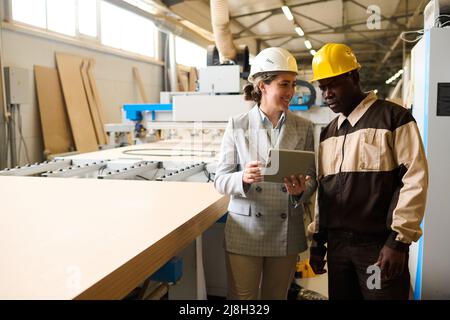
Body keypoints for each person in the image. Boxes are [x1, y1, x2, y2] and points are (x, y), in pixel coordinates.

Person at [308, 43, 429, 300]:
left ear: (354, 77)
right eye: (322, 87)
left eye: (333, 84)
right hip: (339, 249)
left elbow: (414, 179)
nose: (327, 94)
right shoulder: (328, 132)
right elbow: (324, 193)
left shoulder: (394, 118)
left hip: (378, 248)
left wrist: (398, 242)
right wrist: (318, 243)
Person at [214, 47, 317, 300]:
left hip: (286, 231)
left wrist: (301, 191)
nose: (292, 92)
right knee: (242, 299)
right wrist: (243, 179)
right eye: (284, 84)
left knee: (277, 297)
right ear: (262, 86)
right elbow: (220, 179)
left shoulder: (304, 127)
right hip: (246, 228)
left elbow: (313, 179)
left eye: (293, 84)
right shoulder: (238, 125)